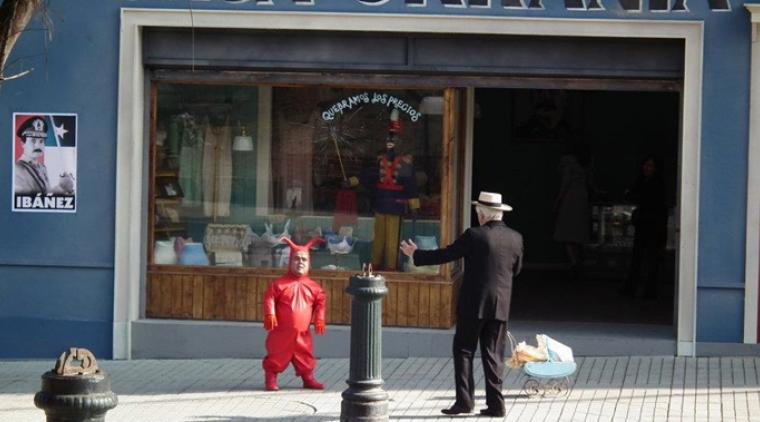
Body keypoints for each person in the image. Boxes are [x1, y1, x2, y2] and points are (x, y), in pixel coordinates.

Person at [400, 191, 523, 417]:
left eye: (478, 212)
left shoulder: (474, 235)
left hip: (473, 304)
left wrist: (416, 254)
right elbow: (516, 270)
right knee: (494, 355)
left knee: (464, 350)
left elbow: (447, 254)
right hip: (501, 305)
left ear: (482, 214)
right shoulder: (516, 238)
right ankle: (496, 405)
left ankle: (465, 402)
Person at [347, 108, 420, 271]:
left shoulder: (405, 165)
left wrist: (414, 206)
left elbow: (411, 185)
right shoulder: (380, 162)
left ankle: (390, 269)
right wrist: (351, 181)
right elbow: (368, 175)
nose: (390, 143)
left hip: (395, 207)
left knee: (392, 242)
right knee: (378, 240)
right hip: (380, 205)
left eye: (393, 140)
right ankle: (374, 266)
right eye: (388, 140)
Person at [262, 237, 327, 391]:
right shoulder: (279, 285)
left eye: (304, 259)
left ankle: (308, 378)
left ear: (309, 263)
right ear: (290, 261)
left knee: (305, 355)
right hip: (281, 332)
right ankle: (271, 378)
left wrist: (320, 318)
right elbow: (269, 298)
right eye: (297, 259)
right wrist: (270, 314)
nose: (300, 262)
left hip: (302, 334)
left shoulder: (314, 287)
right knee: (276, 354)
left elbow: (321, 302)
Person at [620, 155, 668, 299]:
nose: (647, 168)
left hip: (652, 226)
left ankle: (644, 289)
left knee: (647, 258)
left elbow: (636, 197)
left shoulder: (654, 184)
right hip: (647, 225)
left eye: (650, 166)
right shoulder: (646, 182)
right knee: (642, 257)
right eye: (646, 165)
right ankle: (640, 288)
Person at [553, 144, 592, 281]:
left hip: (570, 200)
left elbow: (565, 184)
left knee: (567, 233)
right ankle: (580, 263)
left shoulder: (568, 164)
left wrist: (557, 202)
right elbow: (589, 183)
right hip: (582, 199)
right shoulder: (585, 165)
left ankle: (574, 263)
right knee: (578, 233)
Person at [14, 116, 74, 195]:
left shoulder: (42, 168)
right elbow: (29, 200)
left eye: (41, 141)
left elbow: (45, 194)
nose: (38, 145)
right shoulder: (17, 169)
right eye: (33, 141)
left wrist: (65, 188)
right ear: (23, 144)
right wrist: (61, 188)